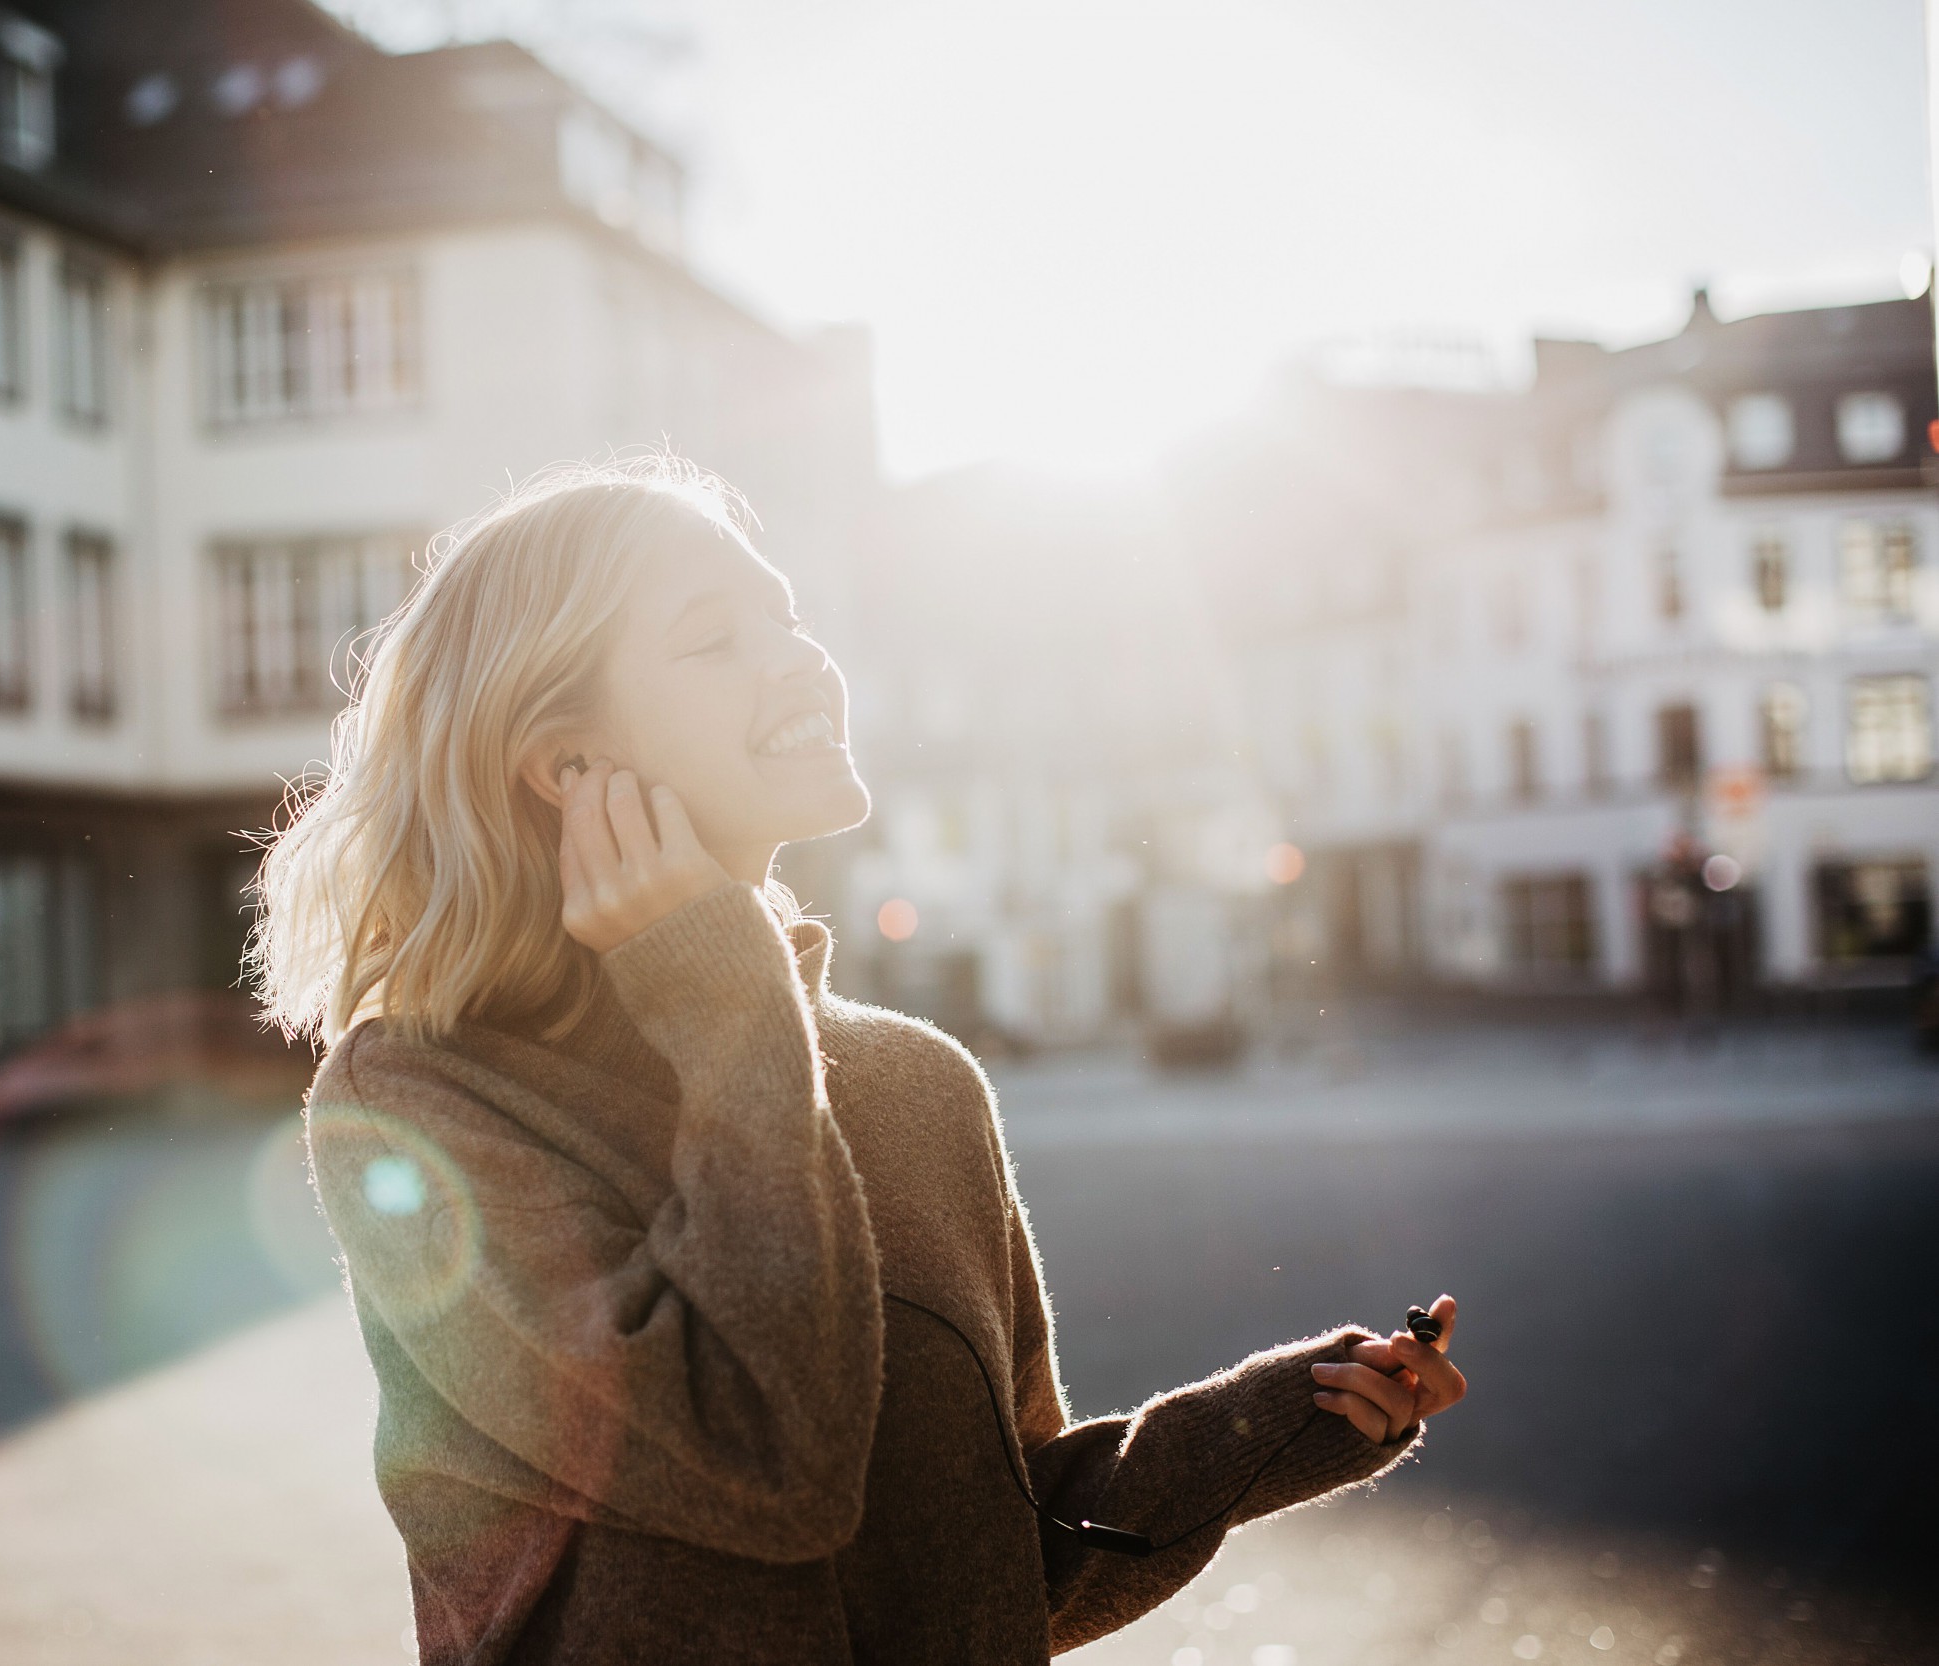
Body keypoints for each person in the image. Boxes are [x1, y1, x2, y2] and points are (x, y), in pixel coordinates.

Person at [251, 458, 1468, 1664]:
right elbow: (766, 1464)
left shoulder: (919, 1085)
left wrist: (1268, 1422)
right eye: (714, 637)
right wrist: (725, 998)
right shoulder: (418, 1105)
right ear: (568, 766)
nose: (801, 658)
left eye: (786, 615)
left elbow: (1007, 1547)